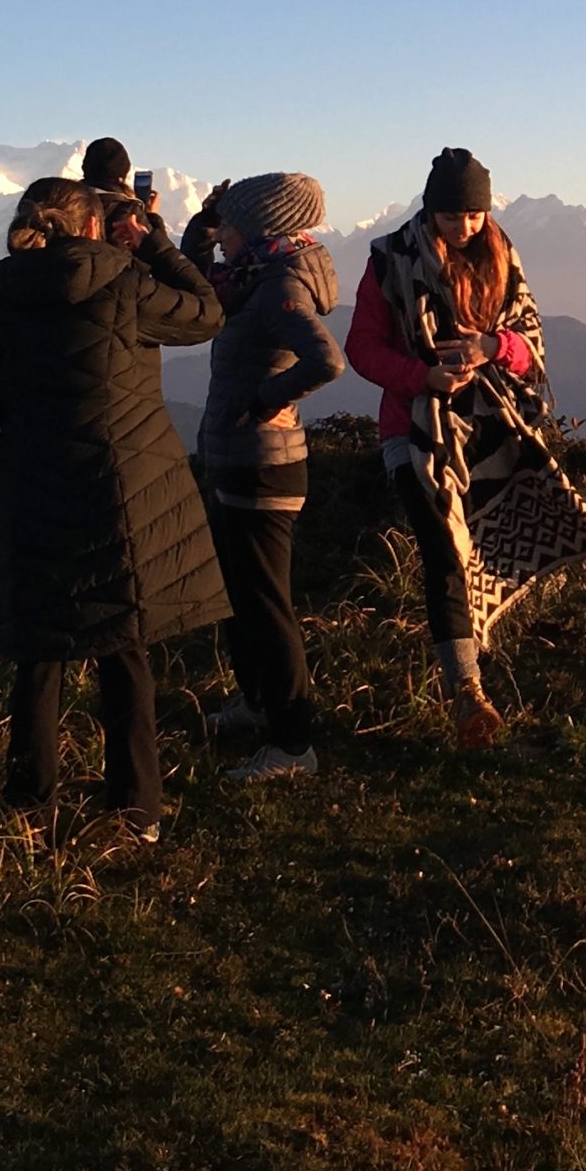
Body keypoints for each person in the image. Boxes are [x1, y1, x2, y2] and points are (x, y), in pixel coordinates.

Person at [0, 176, 228, 839]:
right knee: (123, 652)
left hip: (31, 490)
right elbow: (208, 313)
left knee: (38, 656)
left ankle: (27, 812)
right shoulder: (127, 283)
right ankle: (136, 813)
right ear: (95, 227)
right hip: (120, 493)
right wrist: (156, 243)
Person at [344, 147, 586, 746]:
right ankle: (467, 690)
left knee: (478, 547)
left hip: (492, 420)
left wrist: (492, 347)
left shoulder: (501, 253)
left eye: (473, 215)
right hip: (416, 427)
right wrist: (424, 378)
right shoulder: (389, 260)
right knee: (443, 544)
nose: (463, 227)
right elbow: (362, 348)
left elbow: (529, 334)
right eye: (451, 216)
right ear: (429, 209)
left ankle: (482, 646)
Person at [177, 173, 346, 782]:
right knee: (240, 594)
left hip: (263, 465)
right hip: (241, 458)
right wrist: (205, 216)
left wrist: (262, 398)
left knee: (266, 605)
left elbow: (327, 359)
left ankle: (294, 745)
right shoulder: (250, 275)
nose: (222, 237)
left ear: (261, 229)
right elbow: (194, 278)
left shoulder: (277, 285)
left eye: (231, 225)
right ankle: (256, 702)